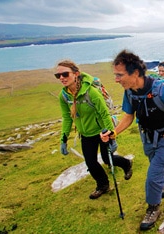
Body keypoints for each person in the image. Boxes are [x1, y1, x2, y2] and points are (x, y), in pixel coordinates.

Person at [101, 50, 164, 231]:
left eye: (120, 75)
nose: (116, 79)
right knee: (157, 166)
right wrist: (114, 133)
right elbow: (128, 117)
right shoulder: (130, 93)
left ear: (135, 73)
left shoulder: (161, 90)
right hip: (147, 138)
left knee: (153, 175)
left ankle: (153, 208)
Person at [56, 60, 133, 200]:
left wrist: (111, 135)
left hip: (102, 131)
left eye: (65, 74)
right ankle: (103, 185)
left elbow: (105, 114)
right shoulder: (64, 96)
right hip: (85, 134)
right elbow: (67, 118)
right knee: (90, 163)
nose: (61, 77)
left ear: (76, 74)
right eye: (58, 75)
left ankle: (126, 163)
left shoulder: (91, 92)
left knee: (107, 159)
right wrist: (64, 138)